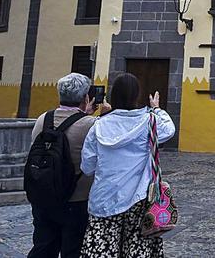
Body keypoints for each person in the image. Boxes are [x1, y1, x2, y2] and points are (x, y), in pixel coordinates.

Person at [80, 73, 175, 258]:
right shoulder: (149, 122)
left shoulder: (98, 127)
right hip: (138, 199)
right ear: (136, 96)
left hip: (104, 199)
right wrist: (156, 109)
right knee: (137, 251)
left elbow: (87, 167)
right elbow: (169, 129)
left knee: (101, 251)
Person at [28, 73, 106, 258]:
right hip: (76, 199)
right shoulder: (92, 124)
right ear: (86, 98)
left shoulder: (43, 119)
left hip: (44, 196)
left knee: (43, 246)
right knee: (73, 250)